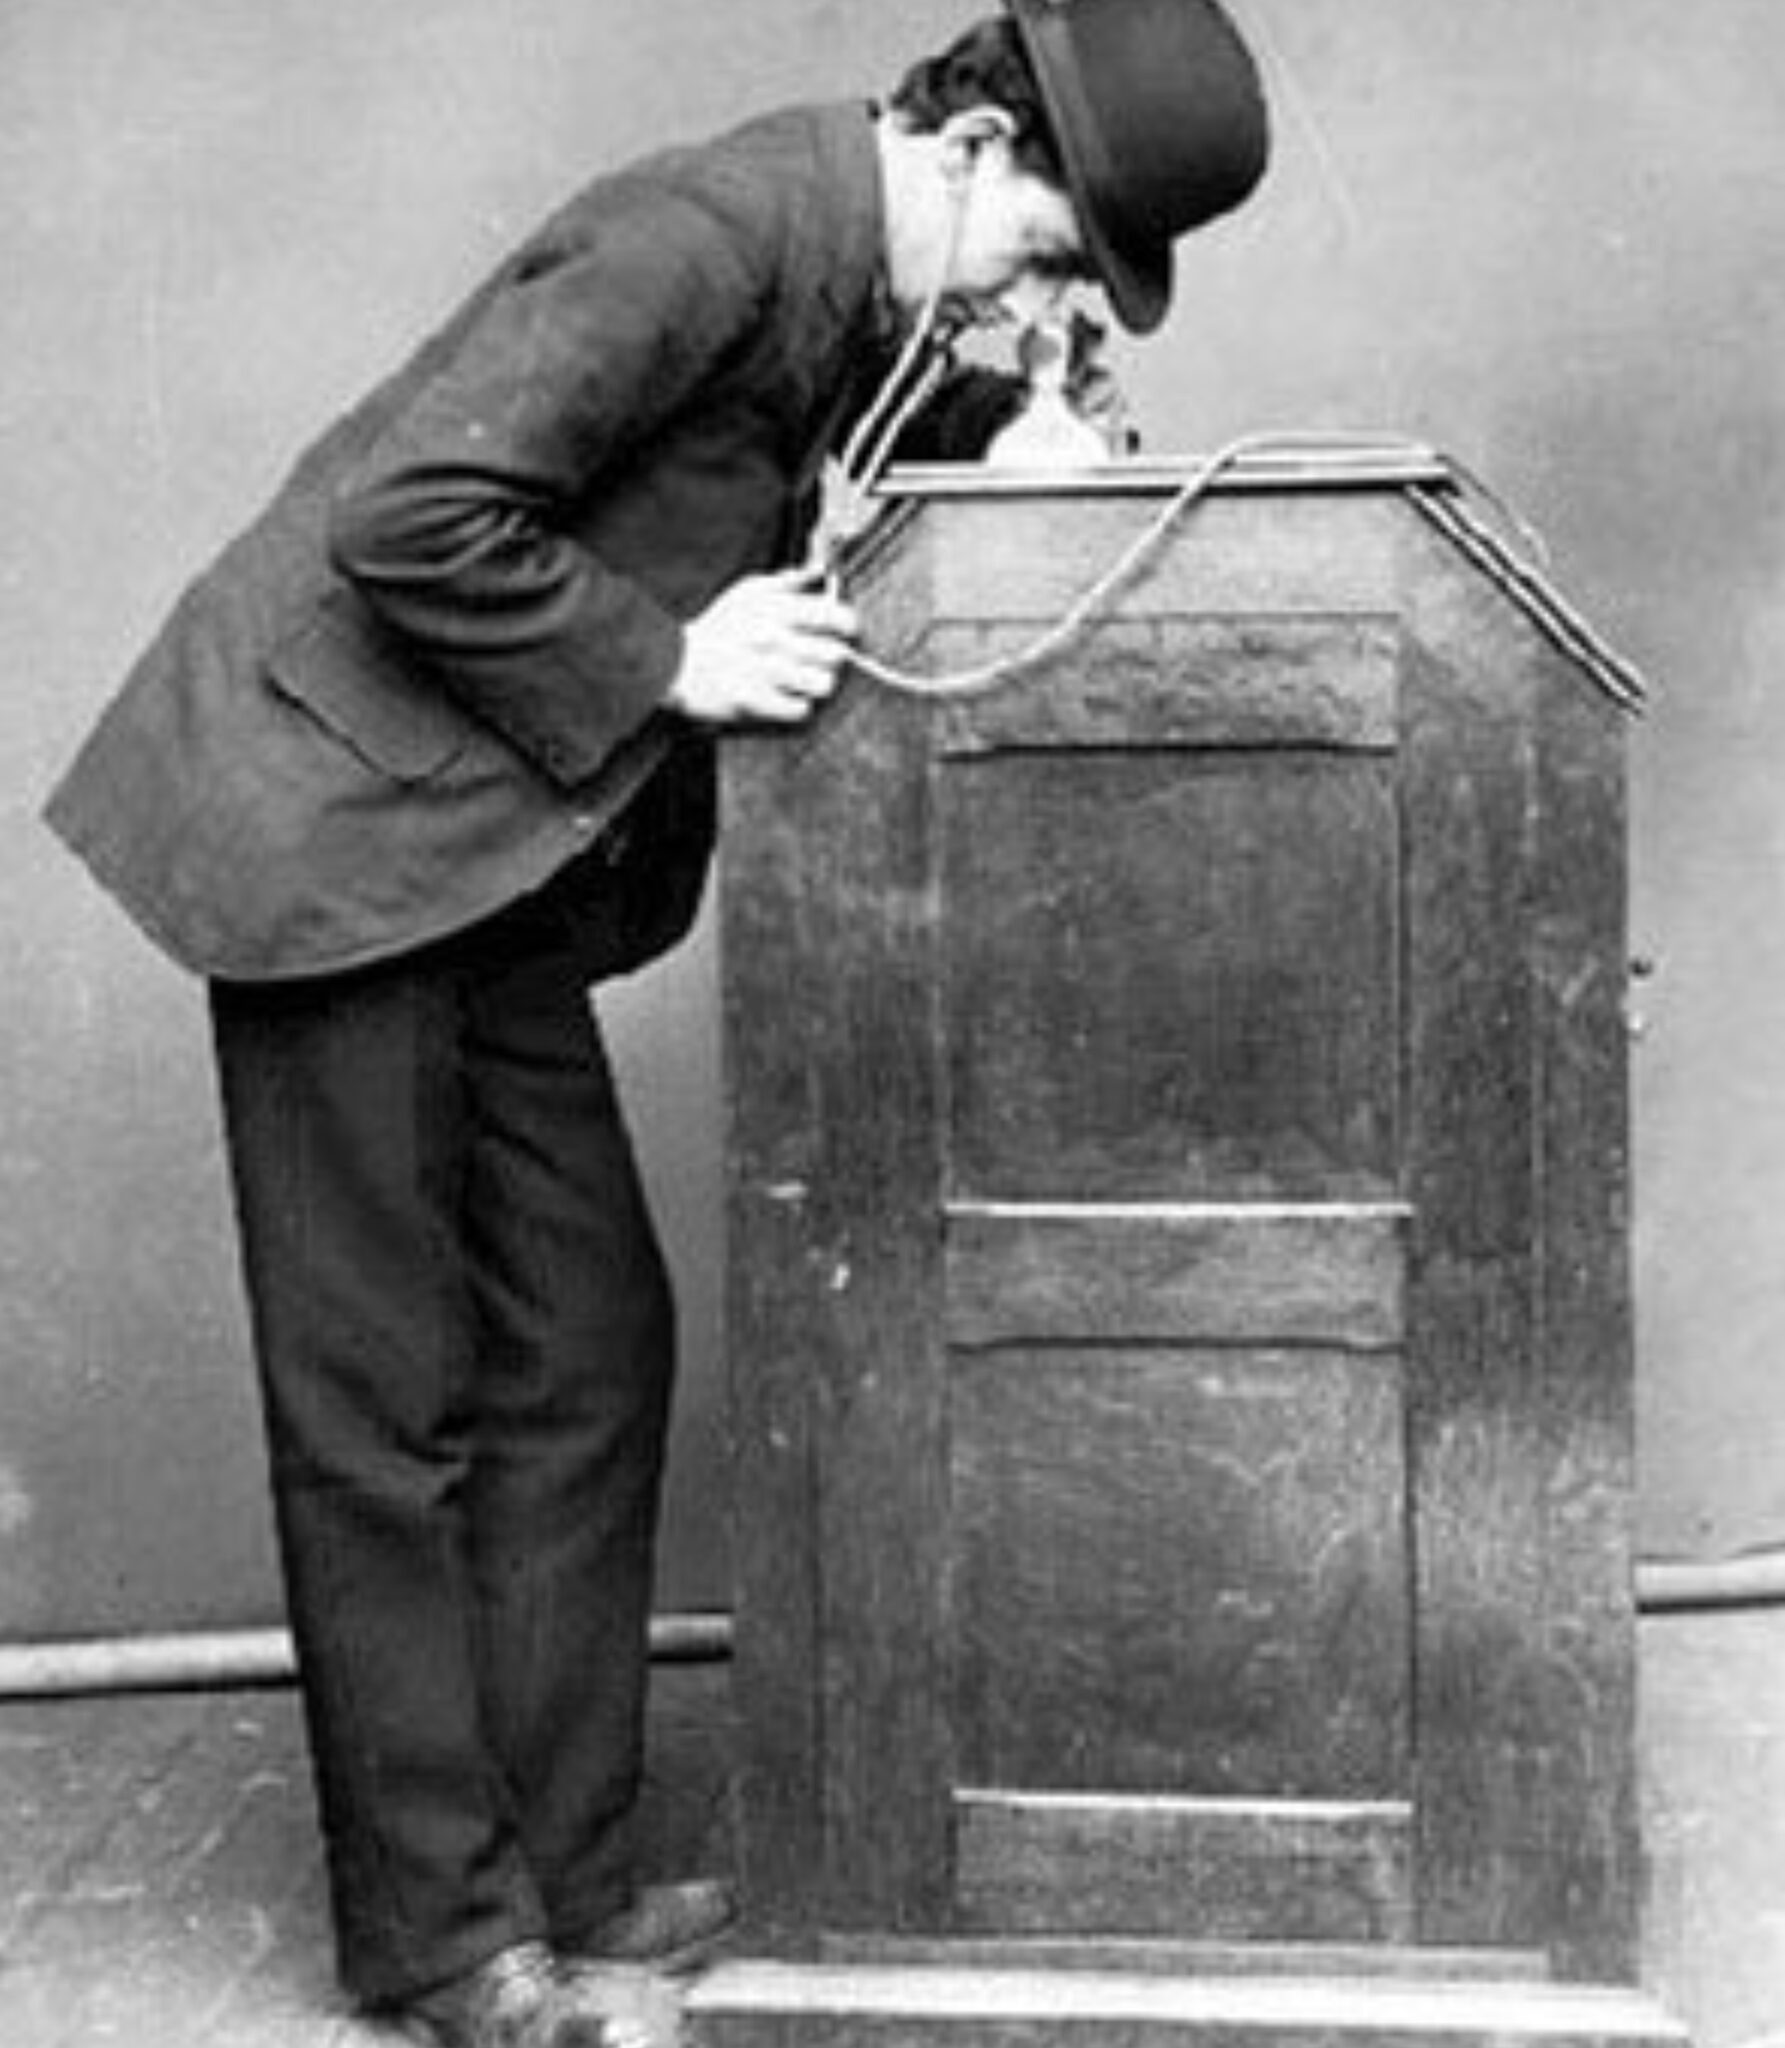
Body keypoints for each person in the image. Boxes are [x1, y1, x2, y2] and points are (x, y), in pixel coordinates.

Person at [42, 3, 1268, 2044]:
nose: (1035, 299)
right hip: (332, 836)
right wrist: (671, 660)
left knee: (587, 1345)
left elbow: (802, 439)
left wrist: (1007, 436)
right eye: (1051, 254)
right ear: (973, 147)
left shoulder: (859, 271)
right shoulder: (708, 234)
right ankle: (446, 1943)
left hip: (481, 841)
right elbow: (410, 513)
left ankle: (568, 1872)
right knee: (383, 1407)